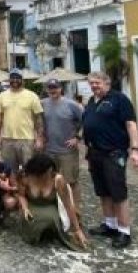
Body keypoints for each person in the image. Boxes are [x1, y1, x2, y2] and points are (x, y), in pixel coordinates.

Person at [82, 71, 138, 249]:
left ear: (106, 83)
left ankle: (124, 231)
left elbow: (131, 125)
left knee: (118, 192)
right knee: (103, 191)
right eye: (91, 83)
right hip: (95, 153)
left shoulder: (119, 99)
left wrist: (136, 150)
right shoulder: (92, 101)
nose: (94, 86)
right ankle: (110, 225)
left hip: (113, 153)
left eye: (97, 83)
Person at [17, 154, 86, 250]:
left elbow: (68, 205)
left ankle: (52, 232)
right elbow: (21, 195)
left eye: (51, 171)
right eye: (47, 172)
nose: (50, 174)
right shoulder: (25, 177)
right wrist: (25, 208)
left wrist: (77, 229)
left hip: (50, 205)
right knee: (31, 220)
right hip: (32, 205)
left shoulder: (57, 179)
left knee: (49, 218)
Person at [41, 79, 84, 213]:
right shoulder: (42, 104)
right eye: (50, 88)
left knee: (71, 181)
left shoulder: (72, 105)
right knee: (50, 180)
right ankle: (56, 208)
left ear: (61, 88)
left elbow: (86, 121)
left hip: (67, 151)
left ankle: (75, 210)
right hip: (49, 150)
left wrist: (77, 137)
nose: (53, 90)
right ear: (47, 89)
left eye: (55, 87)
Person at [0, 69, 44, 173]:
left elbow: (39, 119)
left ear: (22, 80)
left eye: (17, 78)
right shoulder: (2, 96)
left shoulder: (32, 96)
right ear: (9, 80)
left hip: (27, 139)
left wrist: (39, 138)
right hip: (7, 139)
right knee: (10, 171)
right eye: (12, 78)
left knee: (29, 170)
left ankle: (28, 189)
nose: (15, 80)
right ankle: (14, 189)